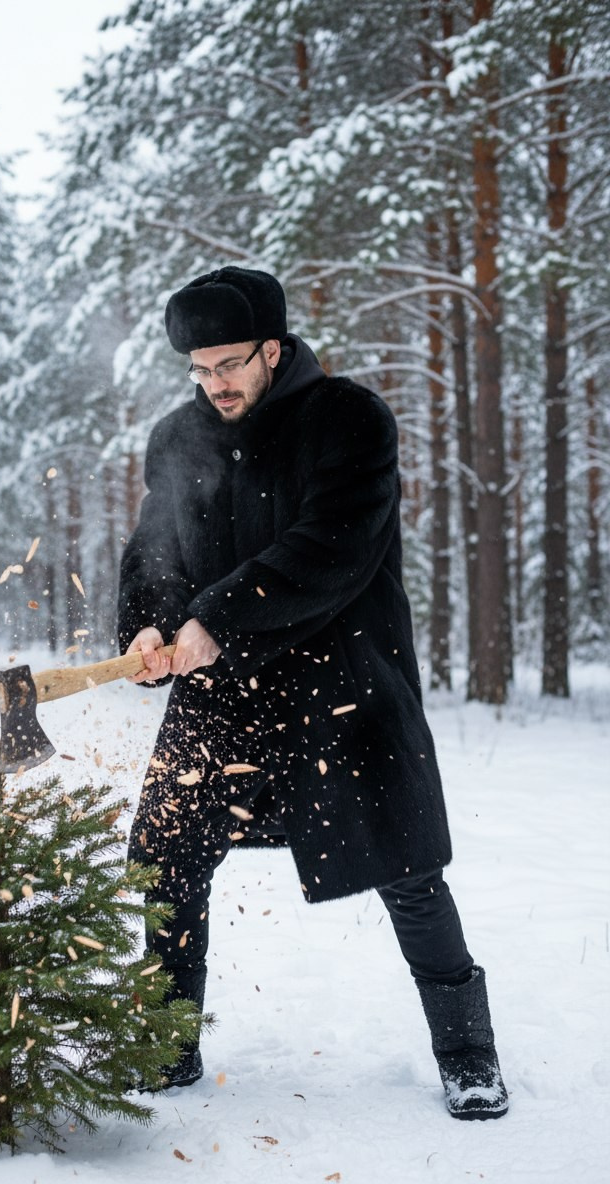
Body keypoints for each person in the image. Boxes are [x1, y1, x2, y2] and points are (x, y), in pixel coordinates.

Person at [117, 266, 508, 1120]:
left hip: (345, 685)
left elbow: (332, 544)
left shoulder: (348, 421)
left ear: (273, 348)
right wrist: (148, 622)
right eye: (199, 369)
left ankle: (469, 1051)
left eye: (229, 364)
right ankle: (165, 1039)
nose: (214, 384)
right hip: (221, 697)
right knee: (165, 859)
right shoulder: (177, 437)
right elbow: (154, 544)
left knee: (409, 871)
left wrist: (217, 615)